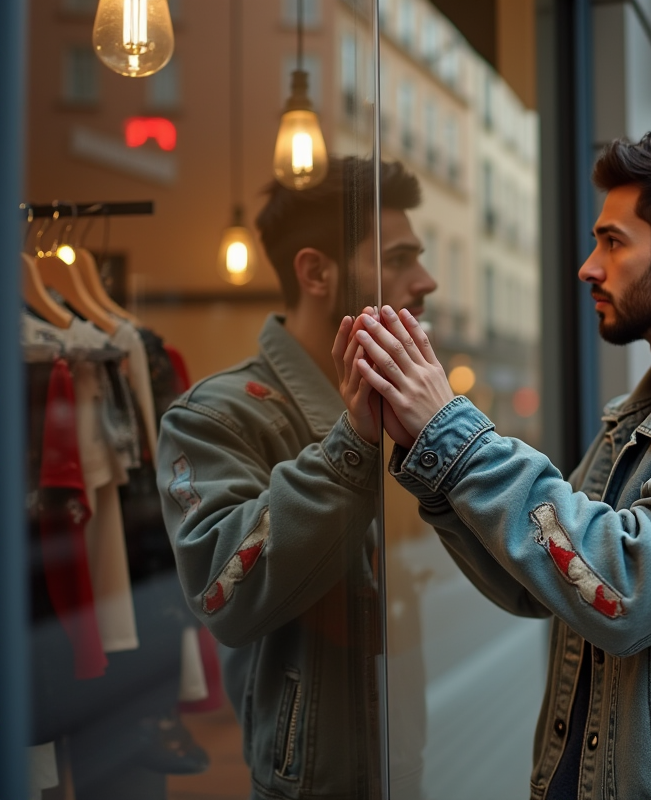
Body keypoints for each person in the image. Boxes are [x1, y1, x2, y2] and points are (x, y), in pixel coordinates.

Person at [342, 132, 651, 799]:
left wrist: (455, 438)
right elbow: (539, 584)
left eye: (612, 242)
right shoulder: (642, 414)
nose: (588, 267)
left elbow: (626, 587)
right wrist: (431, 455)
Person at [156, 158, 437, 799]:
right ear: (315, 272)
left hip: (401, 763)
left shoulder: (399, 404)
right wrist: (353, 443)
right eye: (398, 259)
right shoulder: (212, 416)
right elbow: (224, 590)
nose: (426, 280)